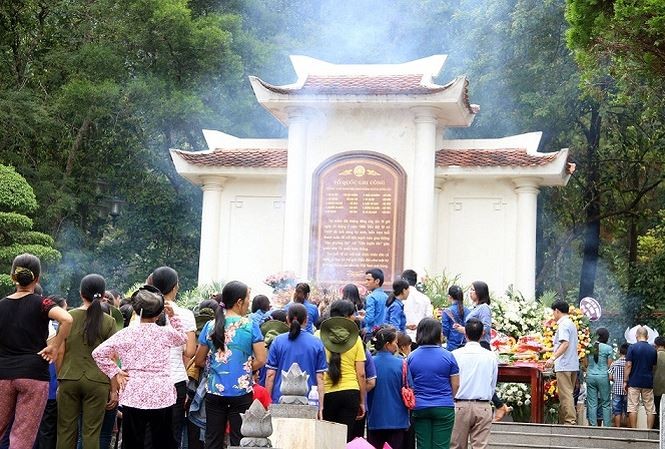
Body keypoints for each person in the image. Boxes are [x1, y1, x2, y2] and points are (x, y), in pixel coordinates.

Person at [92, 285, 187, 449]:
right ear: (158, 315)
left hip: (134, 391)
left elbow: (98, 353)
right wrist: (174, 317)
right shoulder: (165, 333)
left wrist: (116, 372)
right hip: (161, 393)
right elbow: (182, 338)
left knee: (132, 442)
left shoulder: (125, 334)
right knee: (163, 441)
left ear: (136, 311)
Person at [0, 254, 73, 449]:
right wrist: (55, 346)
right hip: (33, 375)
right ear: (38, 278)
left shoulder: (1, 305)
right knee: (22, 437)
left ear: (12, 277)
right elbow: (67, 319)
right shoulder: (42, 303)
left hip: (3, 375)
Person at [194, 281, 266, 448]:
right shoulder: (250, 325)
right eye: (248, 298)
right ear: (239, 301)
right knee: (239, 439)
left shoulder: (210, 325)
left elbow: (198, 360)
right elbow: (261, 359)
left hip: (214, 391)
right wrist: (244, 369)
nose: (249, 302)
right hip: (241, 391)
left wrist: (216, 367)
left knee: (212, 440)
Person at [56, 274, 117, 449]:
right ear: (103, 294)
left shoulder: (68, 317)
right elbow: (111, 359)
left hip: (69, 377)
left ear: (81, 293)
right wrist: (113, 390)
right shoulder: (109, 321)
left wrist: (62, 377)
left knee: (65, 431)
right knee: (91, 433)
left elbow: (60, 352)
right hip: (97, 382)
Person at [147, 266, 197, 448]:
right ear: (175, 287)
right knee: (171, 434)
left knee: (148, 433)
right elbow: (190, 351)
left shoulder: (142, 312)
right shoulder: (185, 314)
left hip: (148, 379)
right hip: (175, 380)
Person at [265, 303, 327, 412]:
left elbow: (270, 375)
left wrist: (268, 402)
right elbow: (320, 378)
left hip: (280, 399)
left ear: (287, 319)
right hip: (309, 400)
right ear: (306, 320)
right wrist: (321, 407)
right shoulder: (316, 343)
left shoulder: (277, 341)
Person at [408, 317, 459, 449]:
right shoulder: (448, 356)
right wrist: (448, 397)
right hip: (444, 406)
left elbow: (408, 384)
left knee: (423, 445)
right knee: (441, 446)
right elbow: (456, 384)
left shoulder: (411, 357)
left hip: (419, 406)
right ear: (437, 334)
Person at [320, 300, 367, 442]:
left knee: (326, 440)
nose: (355, 317)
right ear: (347, 316)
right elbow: (361, 373)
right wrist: (362, 401)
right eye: (353, 314)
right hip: (350, 392)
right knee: (344, 440)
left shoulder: (318, 336)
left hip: (326, 394)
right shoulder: (356, 339)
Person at [450, 318, 498, 449]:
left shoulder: (454, 354)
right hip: (482, 405)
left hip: (459, 405)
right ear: (482, 333)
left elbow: (451, 381)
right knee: (480, 446)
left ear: (465, 333)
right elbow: (493, 383)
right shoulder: (491, 356)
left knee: (456, 446)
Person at [366, 326, 411, 449]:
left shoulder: (370, 362)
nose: (397, 346)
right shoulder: (402, 363)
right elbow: (409, 387)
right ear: (387, 344)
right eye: (395, 343)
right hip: (397, 419)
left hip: (375, 418)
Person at [544, 300, 580, 425]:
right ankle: (564, 420)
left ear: (557, 311)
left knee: (566, 394)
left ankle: (570, 421)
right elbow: (564, 344)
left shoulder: (563, 324)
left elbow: (565, 344)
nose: (553, 315)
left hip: (564, 364)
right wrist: (547, 349)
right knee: (567, 393)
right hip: (572, 364)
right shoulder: (571, 323)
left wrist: (552, 358)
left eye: (553, 312)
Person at [624, 326, 657, 429]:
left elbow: (628, 365)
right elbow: (654, 367)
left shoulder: (632, 348)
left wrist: (625, 380)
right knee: (650, 408)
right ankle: (649, 431)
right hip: (648, 382)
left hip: (634, 381)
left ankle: (634, 430)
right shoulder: (653, 349)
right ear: (647, 336)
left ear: (636, 336)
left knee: (633, 407)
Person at [584, 327, 612, 427]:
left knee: (592, 403)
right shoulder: (608, 348)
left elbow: (585, 363)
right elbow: (609, 365)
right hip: (603, 376)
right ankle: (607, 427)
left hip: (590, 376)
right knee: (606, 402)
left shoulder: (589, 347)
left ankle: (593, 425)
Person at [401, 269, 433, 343]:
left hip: (402, 338)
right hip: (420, 337)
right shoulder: (425, 298)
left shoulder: (400, 298)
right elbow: (429, 318)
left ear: (403, 280)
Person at [442, 285, 469, 351]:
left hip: (452, 346)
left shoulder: (447, 312)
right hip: (466, 346)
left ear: (449, 297)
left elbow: (445, 331)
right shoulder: (469, 311)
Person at [609, 343, 629, 427]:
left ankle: (618, 428)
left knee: (617, 410)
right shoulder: (630, 364)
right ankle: (629, 428)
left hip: (616, 390)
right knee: (628, 410)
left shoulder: (614, 363)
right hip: (627, 390)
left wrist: (616, 380)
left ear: (620, 352)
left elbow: (610, 377)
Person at [363, 269, 387, 336]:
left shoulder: (371, 297)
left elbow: (369, 319)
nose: (366, 282)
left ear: (377, 281)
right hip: (384, 332)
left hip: (372, 332)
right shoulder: (385, 296)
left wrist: (360, 318)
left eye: (368, 280)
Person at [654, 336, 665, 429]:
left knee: (656, 408)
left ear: (655, 345)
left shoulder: (654, 355)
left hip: (655, 386)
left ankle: (657, 427)